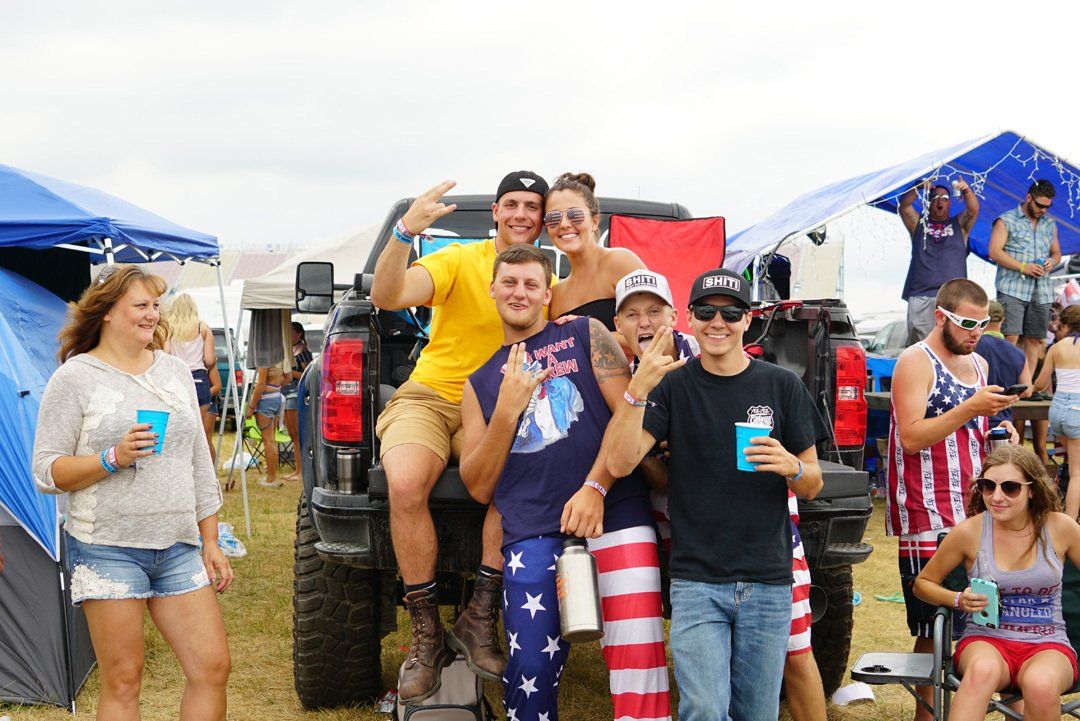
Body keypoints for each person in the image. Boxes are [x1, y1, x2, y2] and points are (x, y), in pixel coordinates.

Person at [604, 267, 827, 721]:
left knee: (755, 713)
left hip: (767, 578)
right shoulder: (672, 386)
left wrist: (794, 466)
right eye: (706, 311)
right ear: (689, 318)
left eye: (730, 313)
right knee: (704, 709)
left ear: (748, 320)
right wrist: (637, 390)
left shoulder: (781, 385)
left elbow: (814, 483)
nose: (718, 322)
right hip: (698, 580)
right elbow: (620, 463)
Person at [460, 244, 667, 721]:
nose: (520, 292)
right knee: (529, 667)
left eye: (532, 283)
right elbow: (477, 486)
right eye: (509, 282)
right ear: (492, 290)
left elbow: (628, 419)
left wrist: (595, 487)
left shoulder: (585, 333)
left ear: (547, 293)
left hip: (616, 511)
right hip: (534, 527)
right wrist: (507, 413)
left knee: (640, 658)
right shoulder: (480, 382)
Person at [368, 172, 549, 702]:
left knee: (507, 484)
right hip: (430, 395)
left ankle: (478, 617)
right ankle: (426, 635)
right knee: (403, 483)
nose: (520, 214)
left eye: (531, 207)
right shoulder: (459, 259)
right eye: (510, 204)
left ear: (543, 219)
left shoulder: (544, 279)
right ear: (494, 212)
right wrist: (404, 231)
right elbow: (387, 295)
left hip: (498, 405)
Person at [31, 264, 232, 721]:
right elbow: (46, 472)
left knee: (212, 666)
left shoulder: (175, 372)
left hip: (178, 544)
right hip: (106, 548)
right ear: (106, 313)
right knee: (123, 681)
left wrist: (211, 539)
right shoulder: (75, 378)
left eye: (155, 306)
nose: (152, 315)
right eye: (141, 306)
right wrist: (112, 458)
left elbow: (200, 462)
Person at [886, 278, 1021, 721]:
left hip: (977, 508)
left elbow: (975, 432)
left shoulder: (979, 363)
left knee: (988, 618)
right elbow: (910, 437)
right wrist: (970, 409)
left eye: (982, 324)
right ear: (940, 316)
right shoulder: (915, 360)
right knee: (933, 628)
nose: (975, 332)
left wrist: (1002, 436)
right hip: (927, 508)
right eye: (966, 323)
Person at [914, 445, 1080, 721]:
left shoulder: (1059, 527)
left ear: (1031, 489)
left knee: (1040, 684)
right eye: (987, 486)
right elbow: (923, 583)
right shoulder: (970, 531)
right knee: (981, 672)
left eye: (1010, 488)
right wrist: (957, 599)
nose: (997, 496)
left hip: (1047, 640)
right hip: (985, 639)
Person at [545, 172, 646, 345]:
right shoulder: (557, 294)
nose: (564, 224)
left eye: (574, 215)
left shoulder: (620, 262)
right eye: (553, 218)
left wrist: (587, 333)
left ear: (594, 221)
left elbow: (655, 333)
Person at [989, 179, 1062, 380]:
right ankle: (1005, 382)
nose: (1043, 210)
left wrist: (1051, 262)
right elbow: (994, 251)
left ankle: (1026, 386)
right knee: (1009, 336)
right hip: (1012, 287)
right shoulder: (1006, 220)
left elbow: (1057, 253)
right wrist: (1023, 267)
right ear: (1028, 197)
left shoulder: (1050, 223)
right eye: (1040, 205)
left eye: (1048, 206)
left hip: (1042, 289)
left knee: (1035, 339)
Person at [899, 178, 980, 345]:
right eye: (935, 198)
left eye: (944, 198)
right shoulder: (918, 224)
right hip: (921, 294)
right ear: (928, 203)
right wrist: (918, 187)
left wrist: (966, 191)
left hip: (954, 296)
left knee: (952, 343)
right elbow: (905, 207)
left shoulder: (960, 225)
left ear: (950, 203)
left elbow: (973, 210)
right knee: (921, 345)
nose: (939, 201)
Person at [1036, 304, 1080, 519]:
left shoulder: (1056, 347)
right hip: (1077, 411)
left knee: (1070, 465)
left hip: (1057, 411)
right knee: (1077, 473)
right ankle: (1070, 525)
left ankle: (1051, 512)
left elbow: (1040, 384)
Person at [164, 294, 217, 462]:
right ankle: (204, 471)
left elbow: (166, 354)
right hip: (200, 380)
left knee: (181, 430)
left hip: (178, 379)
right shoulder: (203, 328)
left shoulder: (170, 328)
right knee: (199, 433)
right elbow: (209, 360)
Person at [974, 300, 1033, 426]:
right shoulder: (1018, 353)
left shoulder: (971, 346)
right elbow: (1027, 390)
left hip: (974, 421)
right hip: (1003, 422)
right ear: (1002, 320)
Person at [246, 358, 286, 489]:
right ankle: (272, 475)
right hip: (277, 397)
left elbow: (261, 384)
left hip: (266, 400)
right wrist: (275, 388)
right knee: (272, 441)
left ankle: (271, 478)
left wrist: (251, 407)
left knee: (268, 441)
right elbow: (289, 377)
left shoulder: (265, 357)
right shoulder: (281, 354)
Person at [282, 322, 313, 482]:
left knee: (298, 436)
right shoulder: (290, 350)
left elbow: (307, 375)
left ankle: (301, 471)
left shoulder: (303, 350)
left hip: (295, 393)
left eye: (291, 332)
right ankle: (297, 470)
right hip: (286, 392)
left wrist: (289, 372)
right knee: (292, 434)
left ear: (299, 334)